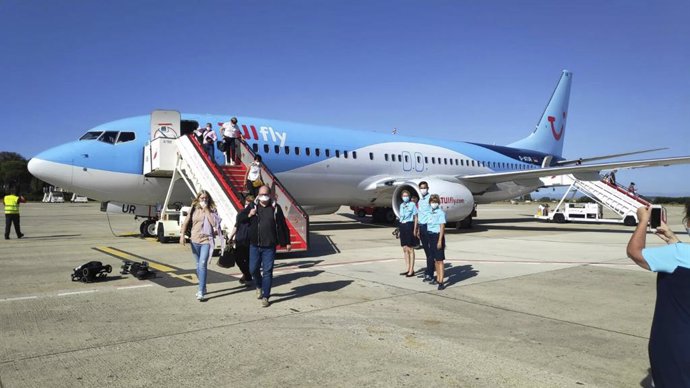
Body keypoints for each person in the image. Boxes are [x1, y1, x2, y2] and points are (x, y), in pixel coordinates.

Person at [626, 206, 690, 387]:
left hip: (677, 344)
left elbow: (635, 252)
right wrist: (673, 240)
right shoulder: (680, 253)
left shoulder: (677, 255)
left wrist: (643, 222)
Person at [237, 185, 291, 307]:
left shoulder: (275, 208)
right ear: (258, 195)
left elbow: (282, 225)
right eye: (261, 194)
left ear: (270, 194)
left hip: (269, 246)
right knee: (253, 269)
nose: (264, 196)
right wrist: (249, 215)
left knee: (267, 271)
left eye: (266, 194)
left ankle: (266, 296)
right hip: (255, 245)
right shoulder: (252, 206)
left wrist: (287, 241)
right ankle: (258, 285)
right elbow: (240, 219)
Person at [179, 190, 223, 301]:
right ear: (198, 198)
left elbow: (214, 224)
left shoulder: (212, 209)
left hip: (206, 240)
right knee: (198, 265)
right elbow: (186, 221)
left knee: (203, 264)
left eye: (206, 198)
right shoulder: (194, 208)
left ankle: (200, 290)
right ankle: (203, 287)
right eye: (202, 198)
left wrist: (207, 209)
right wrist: (182, 235)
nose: (204, 200)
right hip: (194, 239)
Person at [228, 195, 254, 285]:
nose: (247, 205)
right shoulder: (241, 213)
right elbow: (236, 225)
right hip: (240, 238)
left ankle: (247, 276)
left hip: (249, 239)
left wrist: (251, 215)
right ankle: (247, 275)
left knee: (248, 259)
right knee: (238, 258)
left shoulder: (255, 214)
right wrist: (231, 236)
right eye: (246, 203)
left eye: (249, 203)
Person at [415, 181, 434, 282]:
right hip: (422, 227)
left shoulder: (431, 199)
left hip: (428, 227)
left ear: (428, 188)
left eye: (424, 188)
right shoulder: (420, 200)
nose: (423, 189)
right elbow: (419, 215)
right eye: (421, 188)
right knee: (427, 251)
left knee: (430, 252)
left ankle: (430, 274)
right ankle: (428, 271)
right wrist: (417, 228)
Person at [426, 194, 447, 290]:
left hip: (437, 236)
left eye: (435, 202)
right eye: (432, 202)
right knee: (435, 259)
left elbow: (442, 227)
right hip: (430, 235)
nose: (433, 203)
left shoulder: (440, 213)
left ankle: (441, 281)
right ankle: (438, 278)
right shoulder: (429, 212)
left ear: (438, 203)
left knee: (440, 260)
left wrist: (439, 241)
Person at [398, 190, 418, 277]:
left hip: (409, 225)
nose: (405, 197)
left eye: (406, 195)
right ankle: (407, 268)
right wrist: (399, 229)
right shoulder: (401, 205)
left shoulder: (412, 204)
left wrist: (415, 229)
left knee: (410, 248)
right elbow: (400, 217)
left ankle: (411, 270)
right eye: (403, 196)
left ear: (409, 197)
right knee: (405, 248)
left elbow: (416, 217)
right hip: (402, 225)